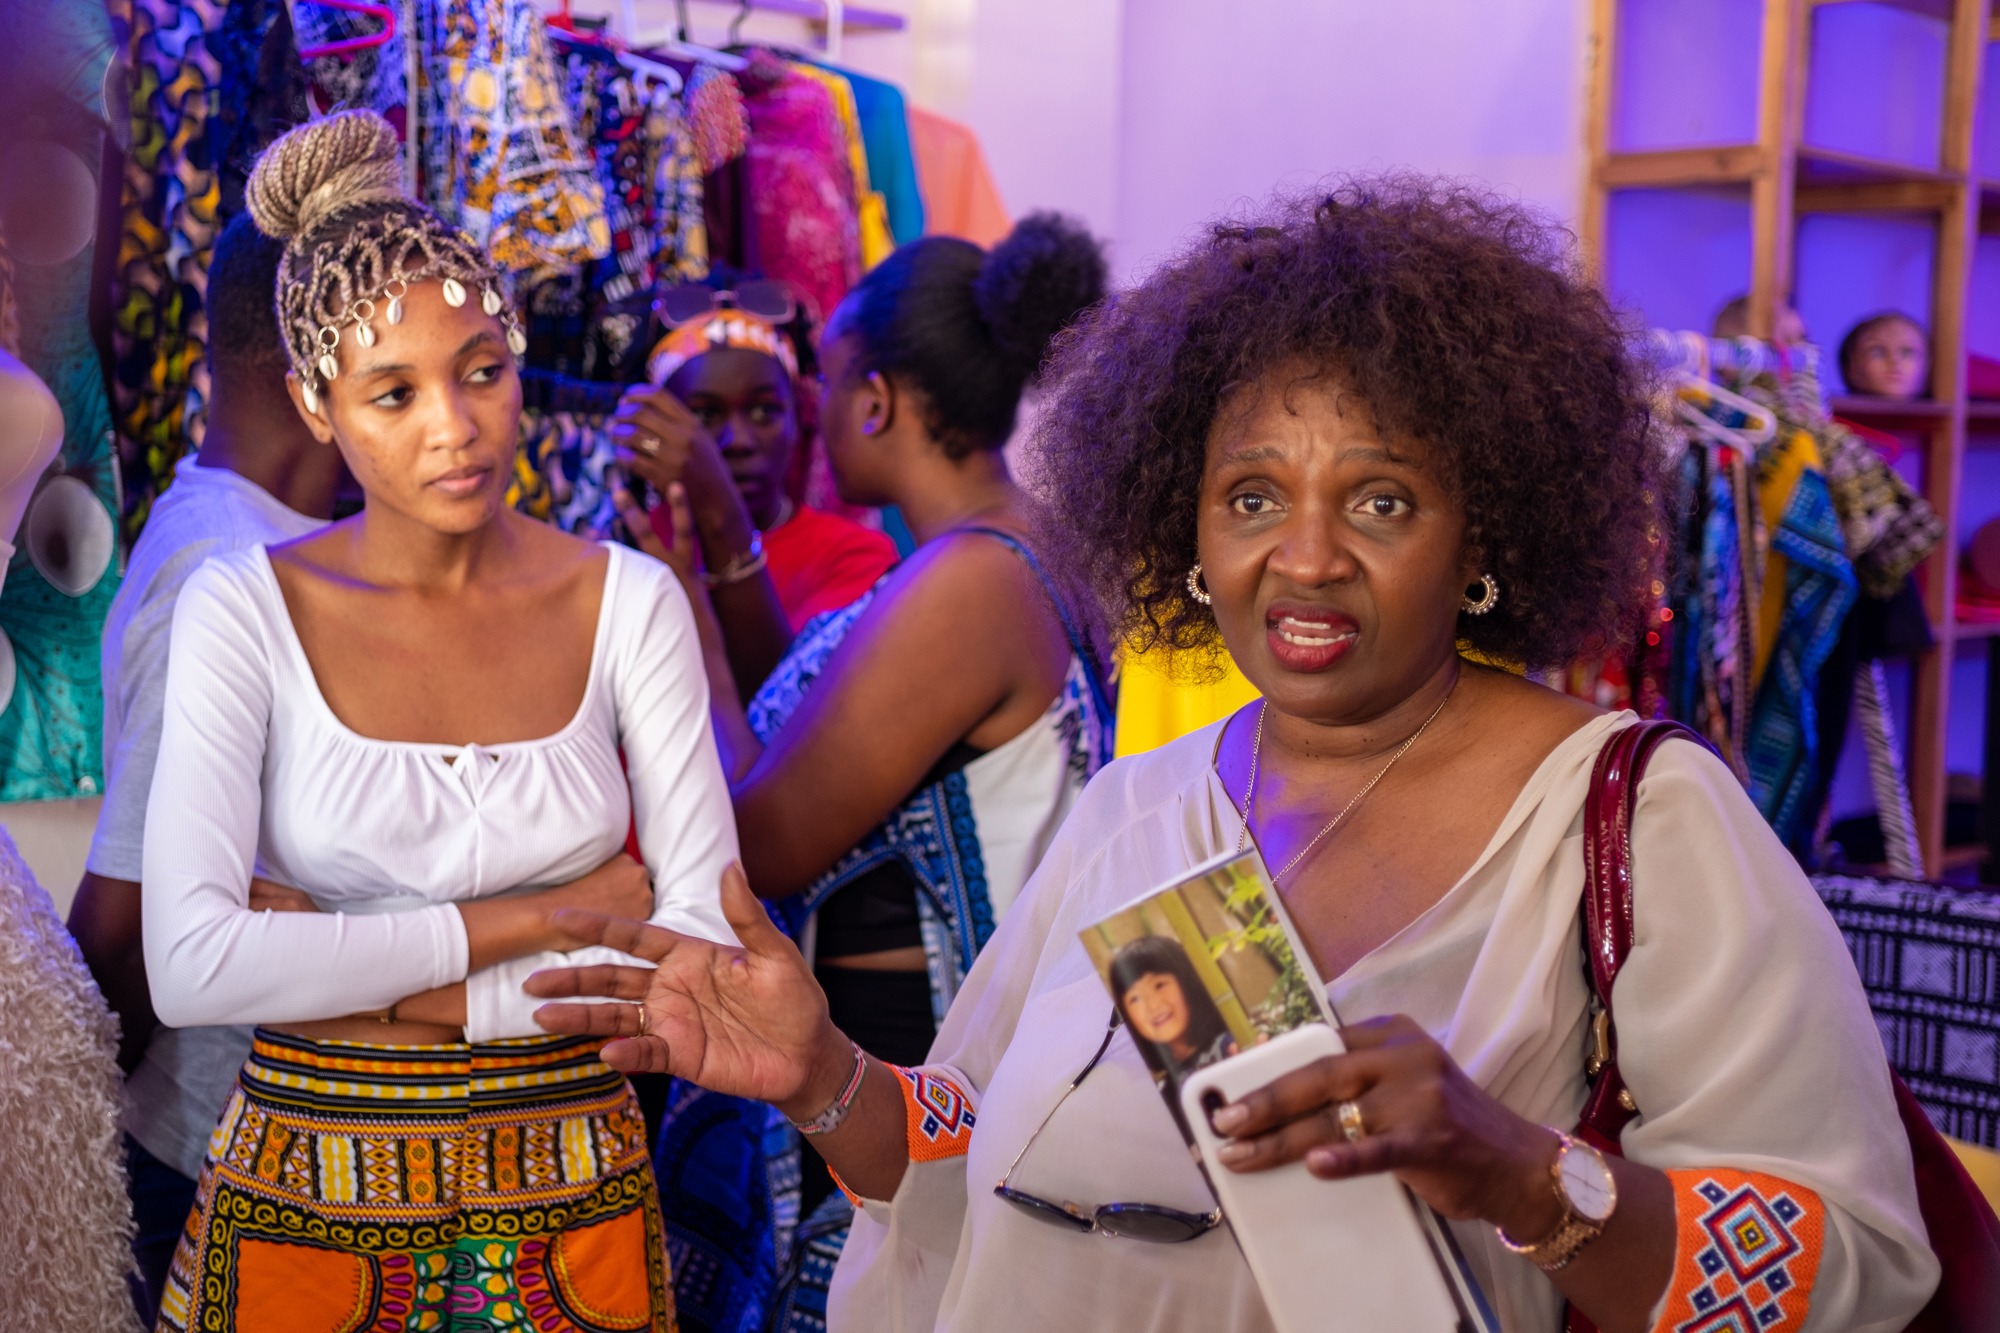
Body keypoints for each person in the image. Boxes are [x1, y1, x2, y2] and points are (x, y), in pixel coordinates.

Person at [529, 180, 1937, 1333]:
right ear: (1186, 535)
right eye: (1252, 495)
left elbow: (1852, 1271)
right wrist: (825, 1074)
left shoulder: (1633, 817)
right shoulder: (1151, 803)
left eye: (1380, 499)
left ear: (1488, 538)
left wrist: (1514, 1167)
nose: (1305, 557)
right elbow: (970, 1151)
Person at [138, 110, 736, 1332]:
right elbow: (191, 962)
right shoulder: (242, 607)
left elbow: (695, 945)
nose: (453, 428)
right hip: (307, 1206)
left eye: (481, 371)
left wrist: (367, 978)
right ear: (317, 402)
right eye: (391, 391)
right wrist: (528, 922)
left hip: (578, 1210)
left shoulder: (628, 602)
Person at [617, 215, 1114, 1319]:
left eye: (829, 381)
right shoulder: (1011, 544)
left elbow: (762, 834)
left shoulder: (967, 583)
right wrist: (721, 544)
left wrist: (679, 603)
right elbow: (800, 726)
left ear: (878, 399)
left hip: (905, 1114)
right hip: (938, 1088)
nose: (815, 414)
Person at [64, 212, 349, 1322]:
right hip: (210, 1159)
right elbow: (122, 918)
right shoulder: (233, 571)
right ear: (323, 364)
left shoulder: (236, 528)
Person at [611, 277, 897, 700]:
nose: (739, 441)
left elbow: (786, 717)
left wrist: (719, 514)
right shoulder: (628, 553)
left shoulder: (856, 559)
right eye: (705, 417)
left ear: (798, 420)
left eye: (765, 411)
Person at [1108, 935, 1238, 1080]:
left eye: (1159, 985)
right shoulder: (1166, 1089)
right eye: (1135, 999)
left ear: (1187, 982)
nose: (1152, 1005)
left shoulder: (1233, 1045)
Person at [1839, 310, 1929, 399]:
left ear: (1927, 364)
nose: (1894, 362)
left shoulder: (1939, 413)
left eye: (1906, 353)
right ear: (1852, 366)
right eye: (1877, 352)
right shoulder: (1829, 412)